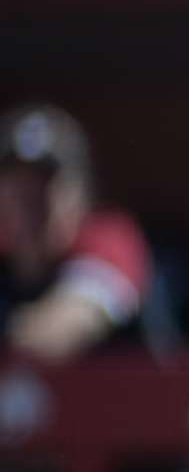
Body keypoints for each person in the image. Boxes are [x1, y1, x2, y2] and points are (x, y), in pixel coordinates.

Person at [1, 104, 153, 362]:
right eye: (17, 184)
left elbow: (52, 336)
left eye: (45, 185)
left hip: (123, 399)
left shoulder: (111, 238)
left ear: (82, 193)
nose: (29, 202)